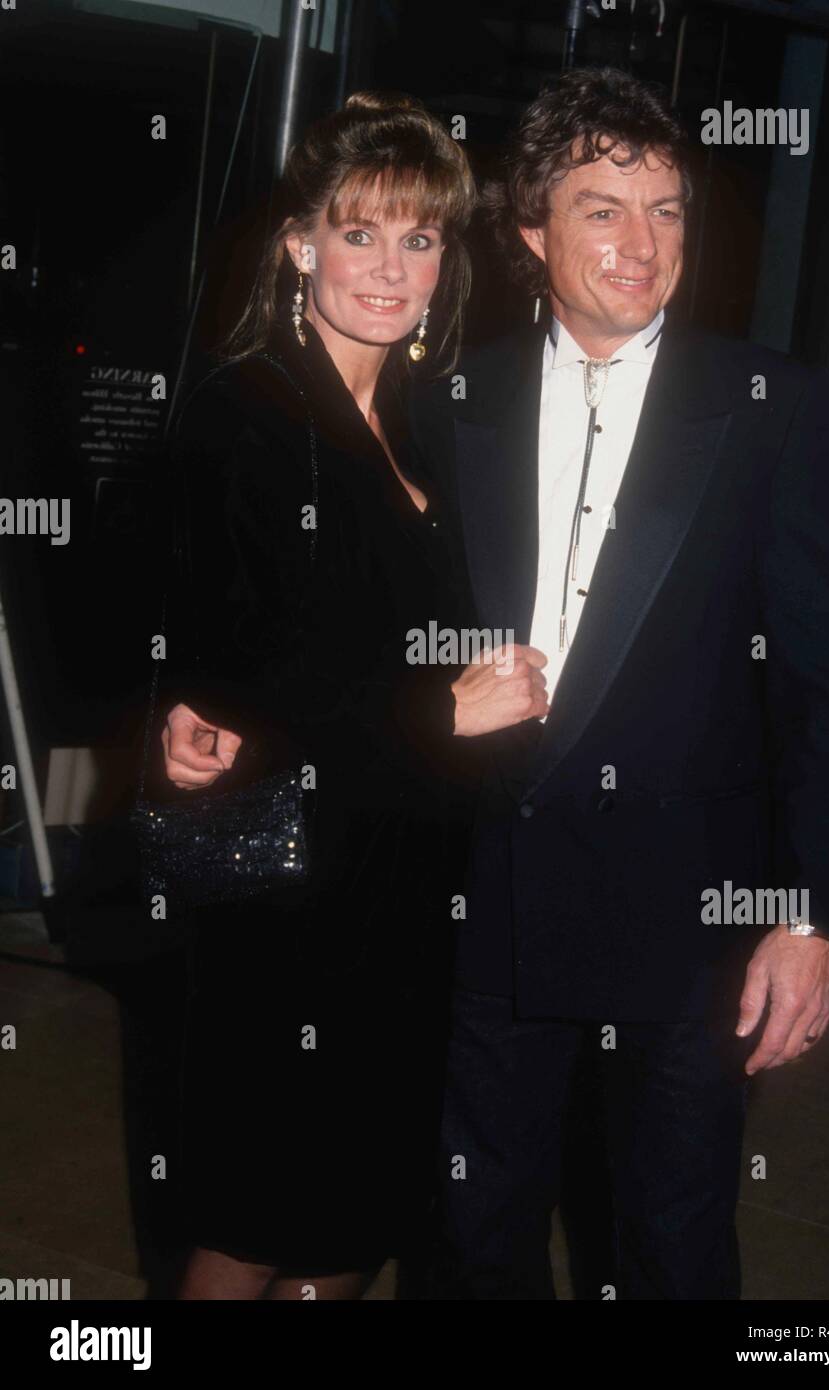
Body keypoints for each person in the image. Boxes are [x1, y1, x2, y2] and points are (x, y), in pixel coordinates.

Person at [407, 66, 829, 1299]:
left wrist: (810, 914)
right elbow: (380, 629)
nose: (641, 241)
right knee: (474, 1239)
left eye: (666, 209)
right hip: (487, 905)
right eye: (604, 207)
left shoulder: (772, 406)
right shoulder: (453, 400)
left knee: (669, 1245)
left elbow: (826, 684)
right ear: (530, 232)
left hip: (692, 925)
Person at [157, 90, 548, 1301]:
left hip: (410, 891)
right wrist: (442, 716)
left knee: (350, 1226)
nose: (391, 266)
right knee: (255, 1216)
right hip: (288, 901)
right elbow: (240, 688)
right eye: (360, 230)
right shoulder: (243, 415)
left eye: (420, 237)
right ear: (299, 245)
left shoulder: (434, 429)